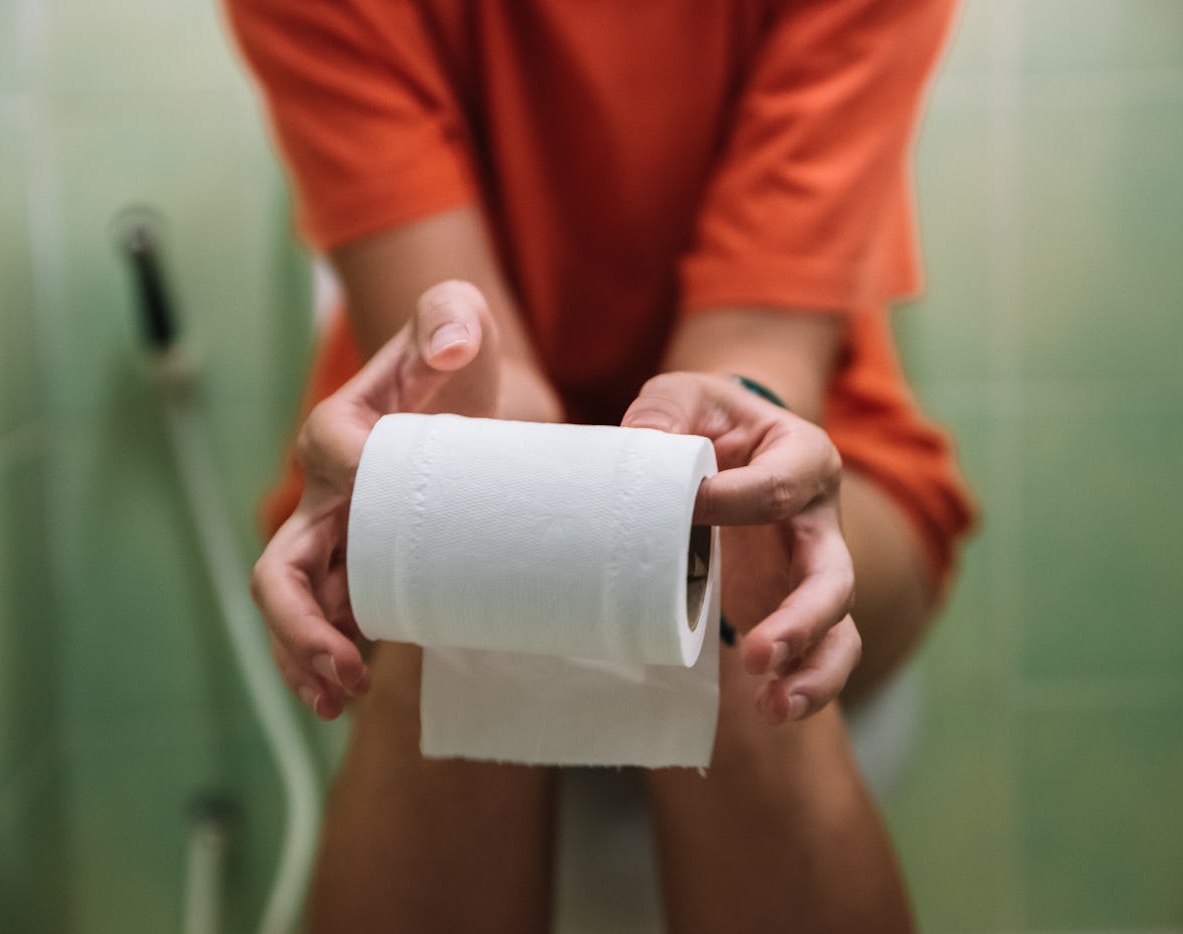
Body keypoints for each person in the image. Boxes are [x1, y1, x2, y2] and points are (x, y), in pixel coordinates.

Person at [226, 0, 976, 930]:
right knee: (460, 569)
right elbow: (463, 364)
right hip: (462, 413)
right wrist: (489, 482)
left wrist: (677, 491)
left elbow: (755, 356)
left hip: (797, 433)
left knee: (736, 598)